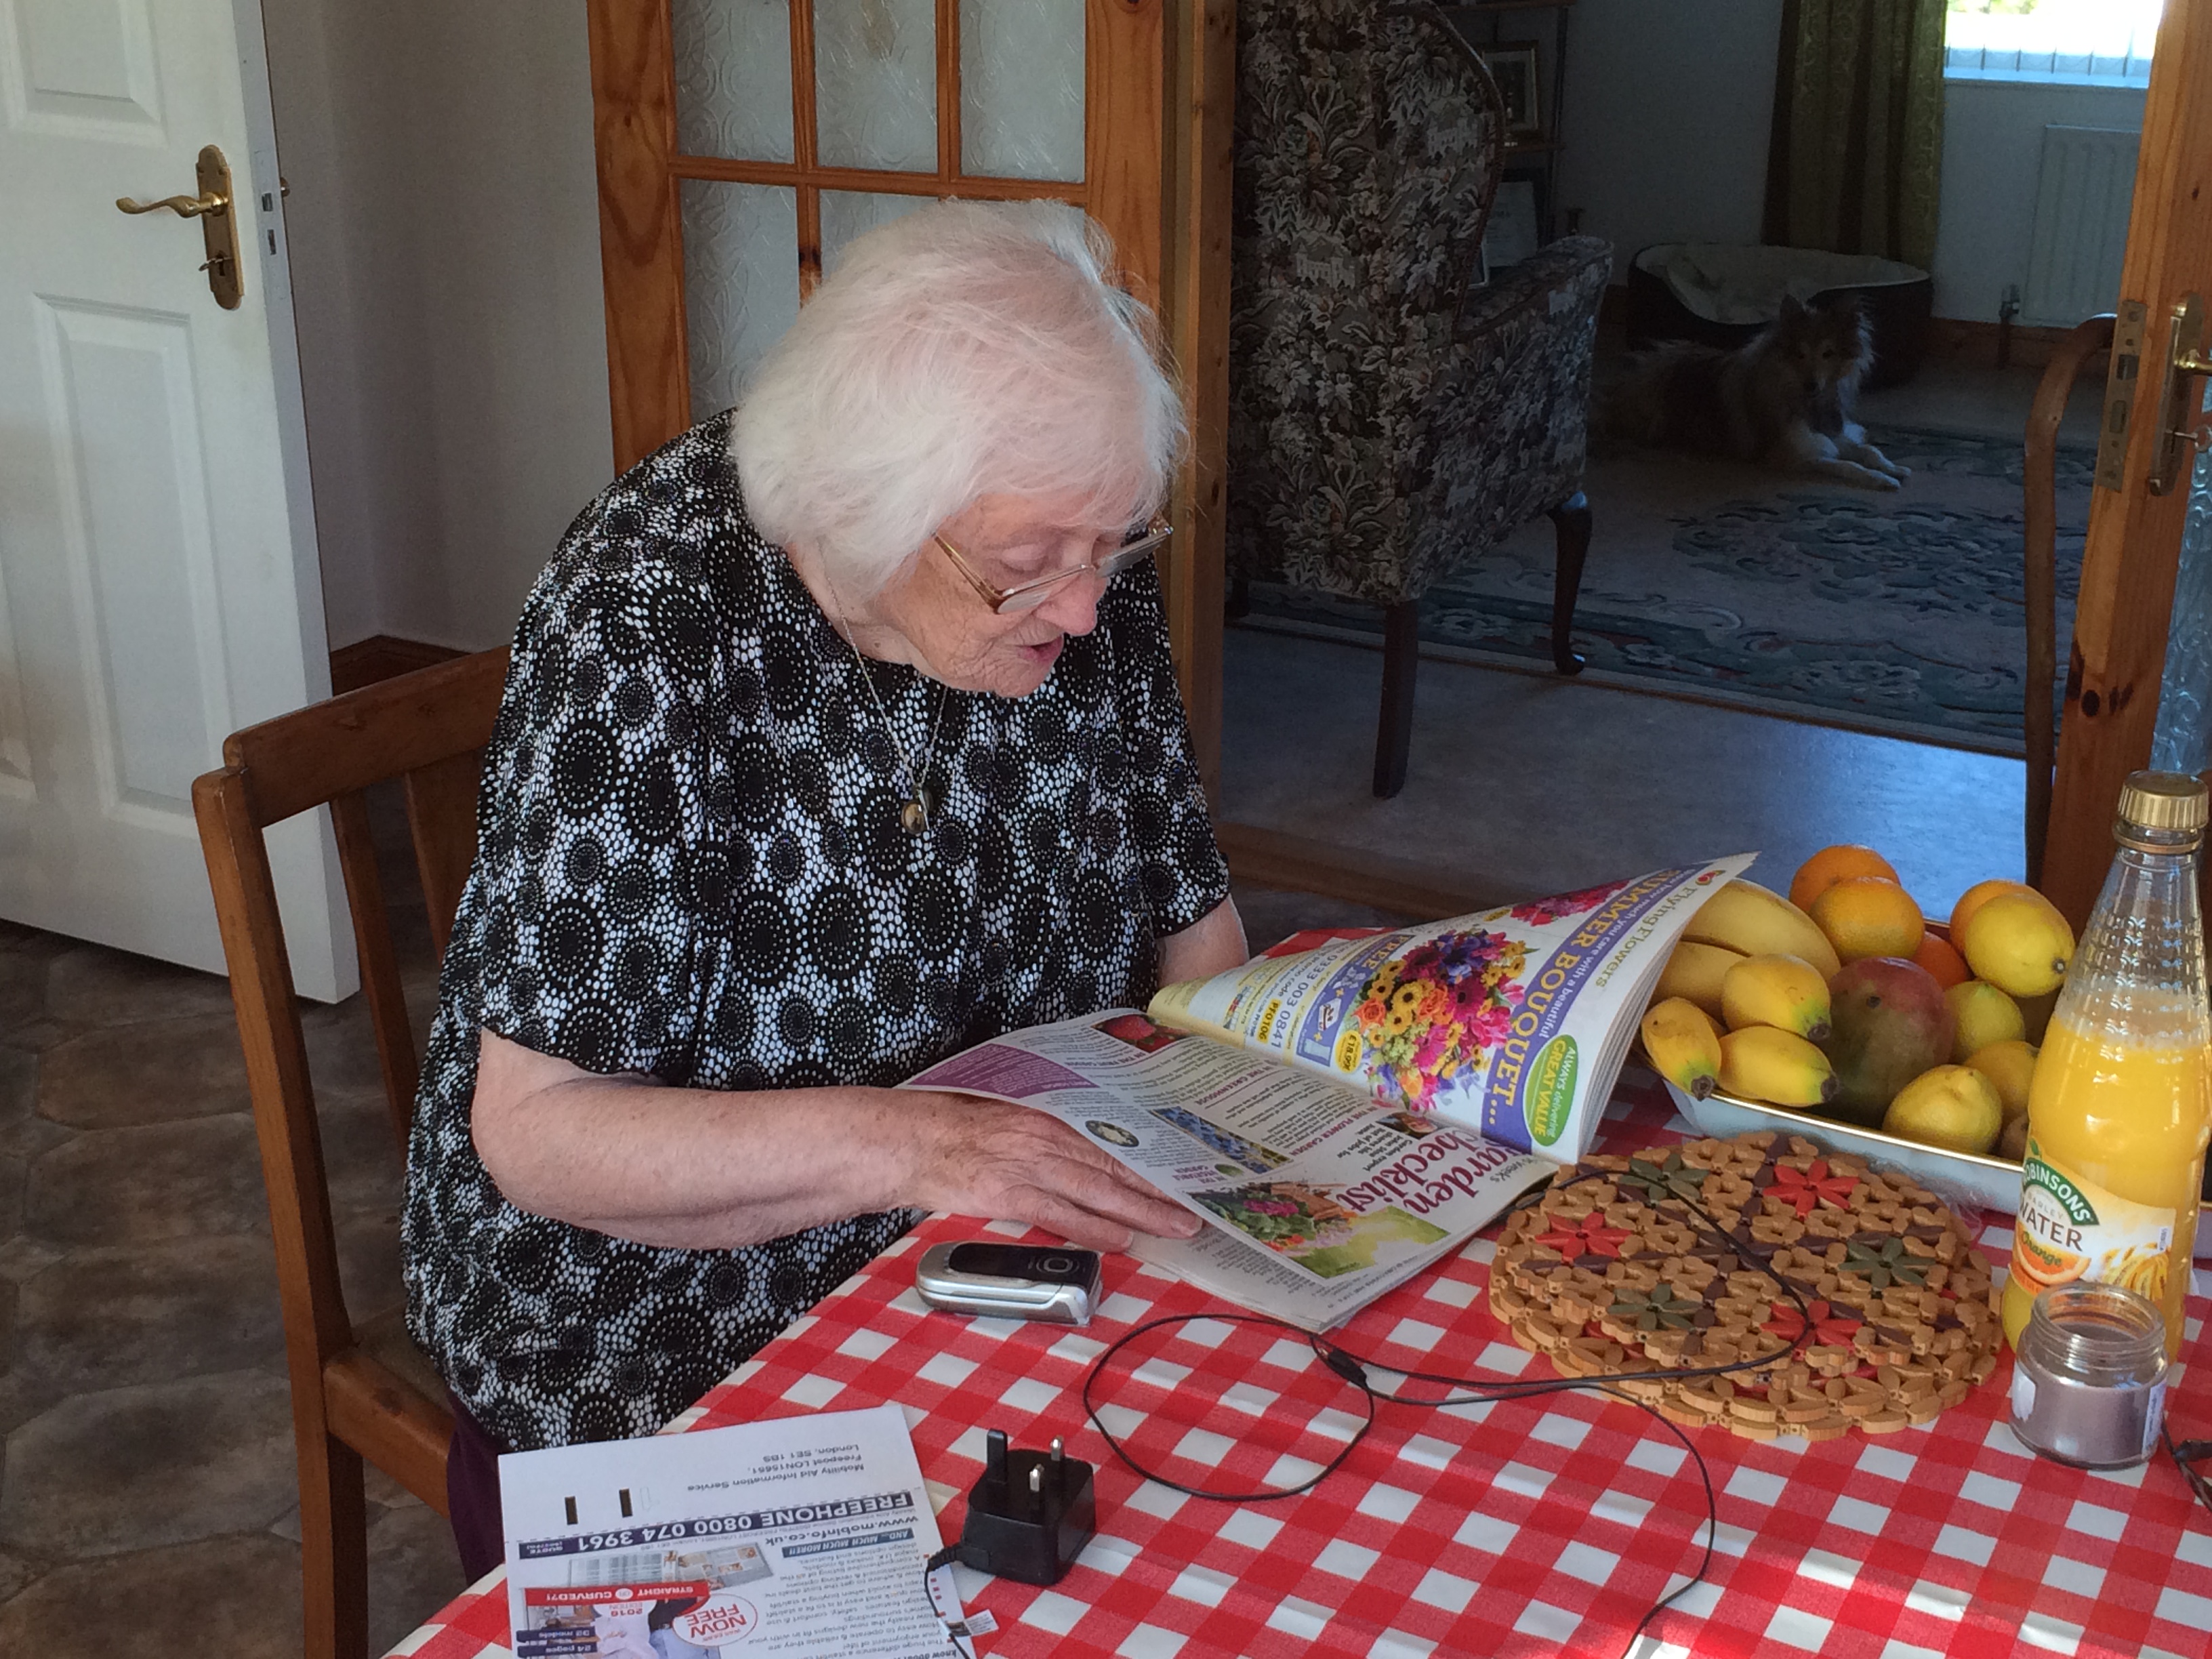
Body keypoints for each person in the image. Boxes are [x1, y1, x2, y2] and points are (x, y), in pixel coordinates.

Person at [401, 201, 1247, 1576]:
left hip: (986, 1262)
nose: (1089, 610)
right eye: (1029, 570)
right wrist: (929, 1143)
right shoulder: (651, 622)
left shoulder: (1067, 551)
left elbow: (1193, 923)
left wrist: (1256, 1145)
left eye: (1115, 548)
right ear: (865, 518)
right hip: (659, 1334)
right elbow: (542, 1135)